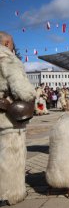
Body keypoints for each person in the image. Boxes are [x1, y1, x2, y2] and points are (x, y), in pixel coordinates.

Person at [0, 32, 36, 205]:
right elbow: (23, 90)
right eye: (12, 44)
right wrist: (31, 94)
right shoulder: (7, 58)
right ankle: (9, 194)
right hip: (7, 119)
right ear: (6, 43)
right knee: (11, 156)